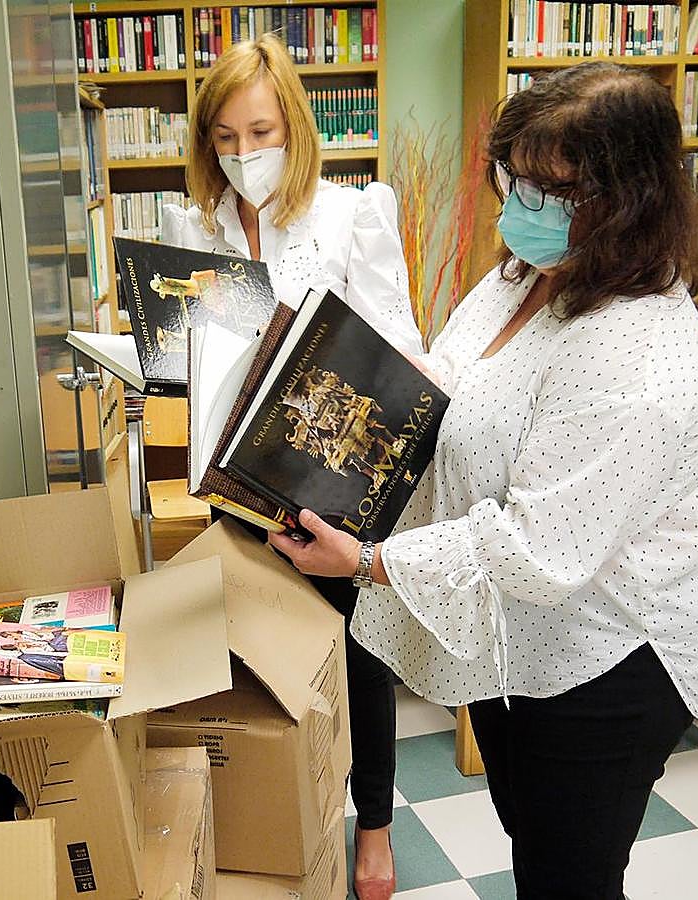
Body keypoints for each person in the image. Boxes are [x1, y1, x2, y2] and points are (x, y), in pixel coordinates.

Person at [269, 62, 698, 899]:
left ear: (628, 201)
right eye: (513, 177)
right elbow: (460, 375)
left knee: (568, 874)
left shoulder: (634, 356)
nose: (520, 203)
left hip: (611, 648)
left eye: (550, 189)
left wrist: (369, 561)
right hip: (519, 629)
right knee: (532, 826)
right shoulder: (531, 272)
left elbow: (536, 550)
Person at [160, 33, 423, 899]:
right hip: (234, 479)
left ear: (295, 129)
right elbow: (183, 355)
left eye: (261, 133)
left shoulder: (351, 214)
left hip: (327, 482)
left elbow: (397, 347)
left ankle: (373, 827)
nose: (244, 155)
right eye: (225, 138)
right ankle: (281, 812)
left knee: (356, 654)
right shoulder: (192, 225)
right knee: (256, 649)